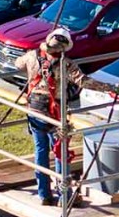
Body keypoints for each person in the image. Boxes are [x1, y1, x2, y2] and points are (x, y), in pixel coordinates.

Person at [24, 29, 85, 206]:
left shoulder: (32, 56)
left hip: (34, 110)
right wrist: (111, 87)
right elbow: (84, 81)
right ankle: (64, 195)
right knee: (60, 152)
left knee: (41, 151)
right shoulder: (65, 64)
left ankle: (44, 194)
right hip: (54, 112)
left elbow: (18, 63)